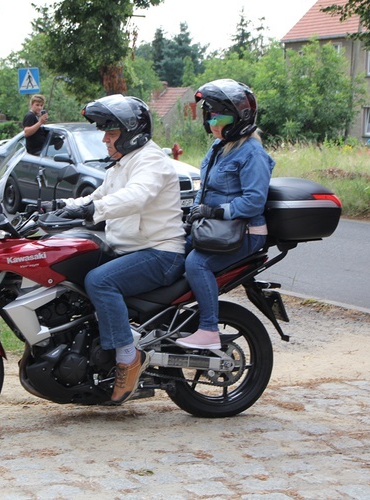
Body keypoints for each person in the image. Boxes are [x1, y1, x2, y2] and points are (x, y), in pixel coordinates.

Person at [51, 94, 186, 404]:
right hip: (130, 249)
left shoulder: (151, 161)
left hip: (160, 253)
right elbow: (96, 196)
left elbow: (136, 197)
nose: (104, 140)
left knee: (100, 280)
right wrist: (56, 206)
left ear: (129, 133)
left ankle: (128, 357)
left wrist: (90, 211)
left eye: (110, 133)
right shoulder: (122, 165)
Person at [177, 79, 275, 350]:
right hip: (213, 228)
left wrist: (218, 210)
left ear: (239, 117)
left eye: (218, 116)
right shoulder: (218, 148)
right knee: (170, 251)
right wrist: (193, 215)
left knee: (198, 263)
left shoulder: (252, 152)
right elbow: (204, 188)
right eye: (209, 115)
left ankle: (209, 329)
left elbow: (254, 202)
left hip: (245, 233)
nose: (212, 122)